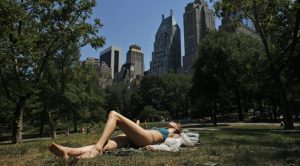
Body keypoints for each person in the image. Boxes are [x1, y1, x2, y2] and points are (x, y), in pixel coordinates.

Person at [49, 111, 181, 160]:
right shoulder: (163, 129)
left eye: (175, 123)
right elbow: (141, 133)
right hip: (136, 139)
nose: (173, 122)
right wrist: (137, 125)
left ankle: (97, 149)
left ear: (177, 128)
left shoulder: (172, 132)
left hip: (147, 139)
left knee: (114, 115)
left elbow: (175, 141)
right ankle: (69, 151)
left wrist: (176, 133)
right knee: (105, 144)